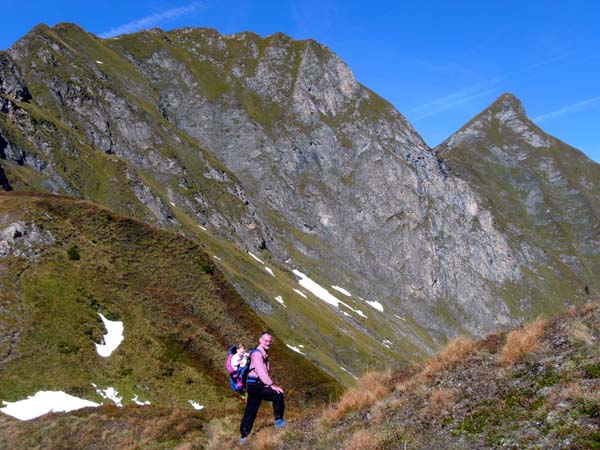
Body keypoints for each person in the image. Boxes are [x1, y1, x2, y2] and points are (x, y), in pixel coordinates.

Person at [239, 332, 286, 443]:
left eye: (269, 341)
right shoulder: (258, 354)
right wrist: (271, 385)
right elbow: (261, 371)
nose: (268, 343)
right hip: (256, 384)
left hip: (252, 385)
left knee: (251, 410)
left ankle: (244, 436)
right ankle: (279, 421)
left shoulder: (261, 353)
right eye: (266, 340)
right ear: (260, 340)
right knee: (278, 394)